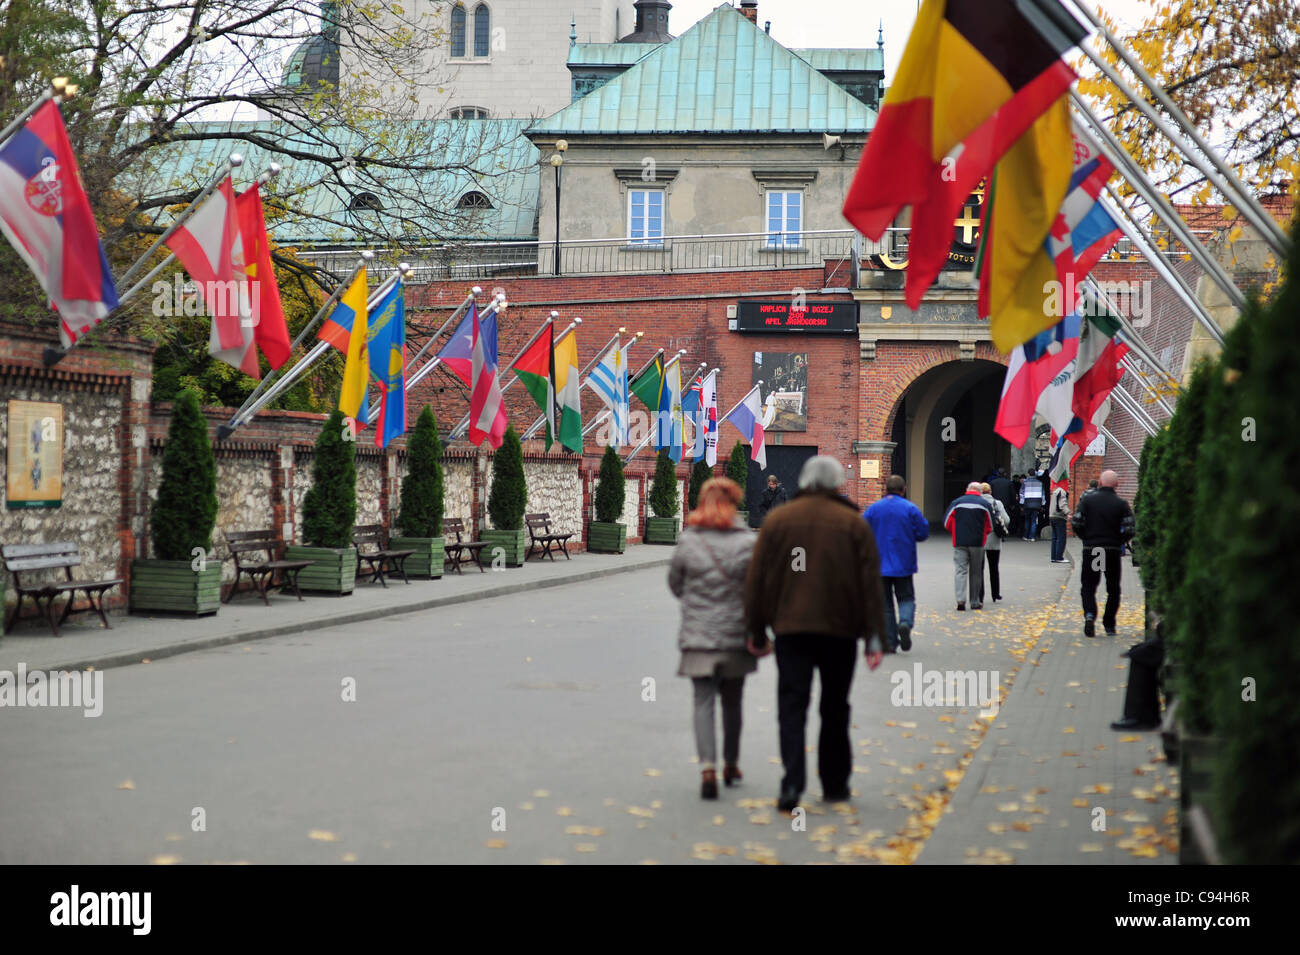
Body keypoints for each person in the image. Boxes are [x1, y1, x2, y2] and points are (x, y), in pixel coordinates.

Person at [744, 456, 887, 813]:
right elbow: (870, 583)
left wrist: (756, 630)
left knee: (792, 706)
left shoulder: (779, 521)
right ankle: (835, 783)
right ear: (838, 483)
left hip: (791, 631)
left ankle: (792, 783)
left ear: (805, 482)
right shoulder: (853, 523)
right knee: (835, 707)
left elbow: (758, 581)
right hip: (840, 631)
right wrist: (873, 636)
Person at [668, 477, 760, 800]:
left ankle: (707, 766)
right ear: (734, 503)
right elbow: (756, 591)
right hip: (735, 635)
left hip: (698, 637)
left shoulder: (689, 540)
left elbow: (675, 584)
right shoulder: (747, 542)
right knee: (733, 702)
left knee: (703, 701)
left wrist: (695, 600)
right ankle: (731, 764)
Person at [863, 474, 930, 651]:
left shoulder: (874, 509)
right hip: (903, 561)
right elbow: (923, 533)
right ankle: (905, 623)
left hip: (878, 563)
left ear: (886, 489)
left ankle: (890, 642)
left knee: (884, 603)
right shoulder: (910, 508)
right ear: (904, 489)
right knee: (906, 597)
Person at [1075, 469, 1135, 637]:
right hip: (1112, 551)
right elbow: (1130, 528)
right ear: (1117, 484)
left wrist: (1086, 538)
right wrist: (1119, 541)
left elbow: (1077, 522)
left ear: (1100, 483)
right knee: (1113, 588)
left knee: (1089, 585)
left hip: (1094, 550)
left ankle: (1089, 615)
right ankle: (1109, 624)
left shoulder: (1087, 501)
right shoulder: (1121, 504)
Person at [943, 481, 994, 611]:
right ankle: (975, 602)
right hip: (977, 542)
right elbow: (990, 525)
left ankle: (960, 600)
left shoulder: (957, 503)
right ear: (980, 492)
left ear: (967, 489)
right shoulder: (985, 504)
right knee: (976, 572)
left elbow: (947, 522)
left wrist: (955, 532)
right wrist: (983, 534)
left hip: (960, 541)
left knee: (960, 570)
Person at [979, 482, 1010, 603]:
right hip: (994, 539)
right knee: (994, 568)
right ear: (990, 492)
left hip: (980, 540)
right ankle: (995, 594)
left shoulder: (977, 503)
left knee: (979, 569)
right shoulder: (997, 503)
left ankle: (980, 595)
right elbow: (1006, 520)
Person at [1048, 479, 1070, 563]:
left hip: (1052, 516)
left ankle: (1053, 557)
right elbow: (1062, 504)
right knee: (1061, 538)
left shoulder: (1055, 491)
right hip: (1059, 517)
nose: (1069, 485)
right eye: (1068, 482)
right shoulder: (1062, 492)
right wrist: (1068, 513)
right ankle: (1059, 557)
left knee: (1054, 538)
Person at [1020, 470, 1044, 540]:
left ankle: (1025, 536)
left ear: (1028, 474)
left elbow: (1021, 494)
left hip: (1027, 503)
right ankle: (1032, 537)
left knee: (1027, 520)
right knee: (1034, 521)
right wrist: (1042, 504)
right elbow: (1043, 495)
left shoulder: (1025, 483)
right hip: (1036, 503)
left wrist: (1021, 504)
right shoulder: (1040, 483)